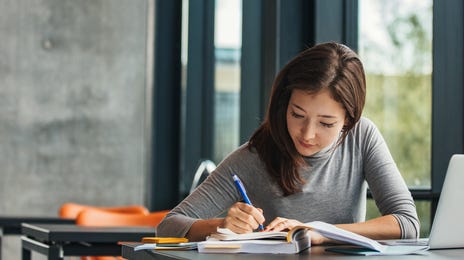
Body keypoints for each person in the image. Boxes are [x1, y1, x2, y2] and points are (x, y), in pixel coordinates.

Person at [157, 42, 419, 244]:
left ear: (348, 121)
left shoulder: (362, 137)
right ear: (284, 105)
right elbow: (168, 226)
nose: (307, 134)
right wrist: (221, 225)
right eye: (297, 115)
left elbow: (406, 223)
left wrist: (318, 231)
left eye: (326, 124)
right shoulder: (255, 156)